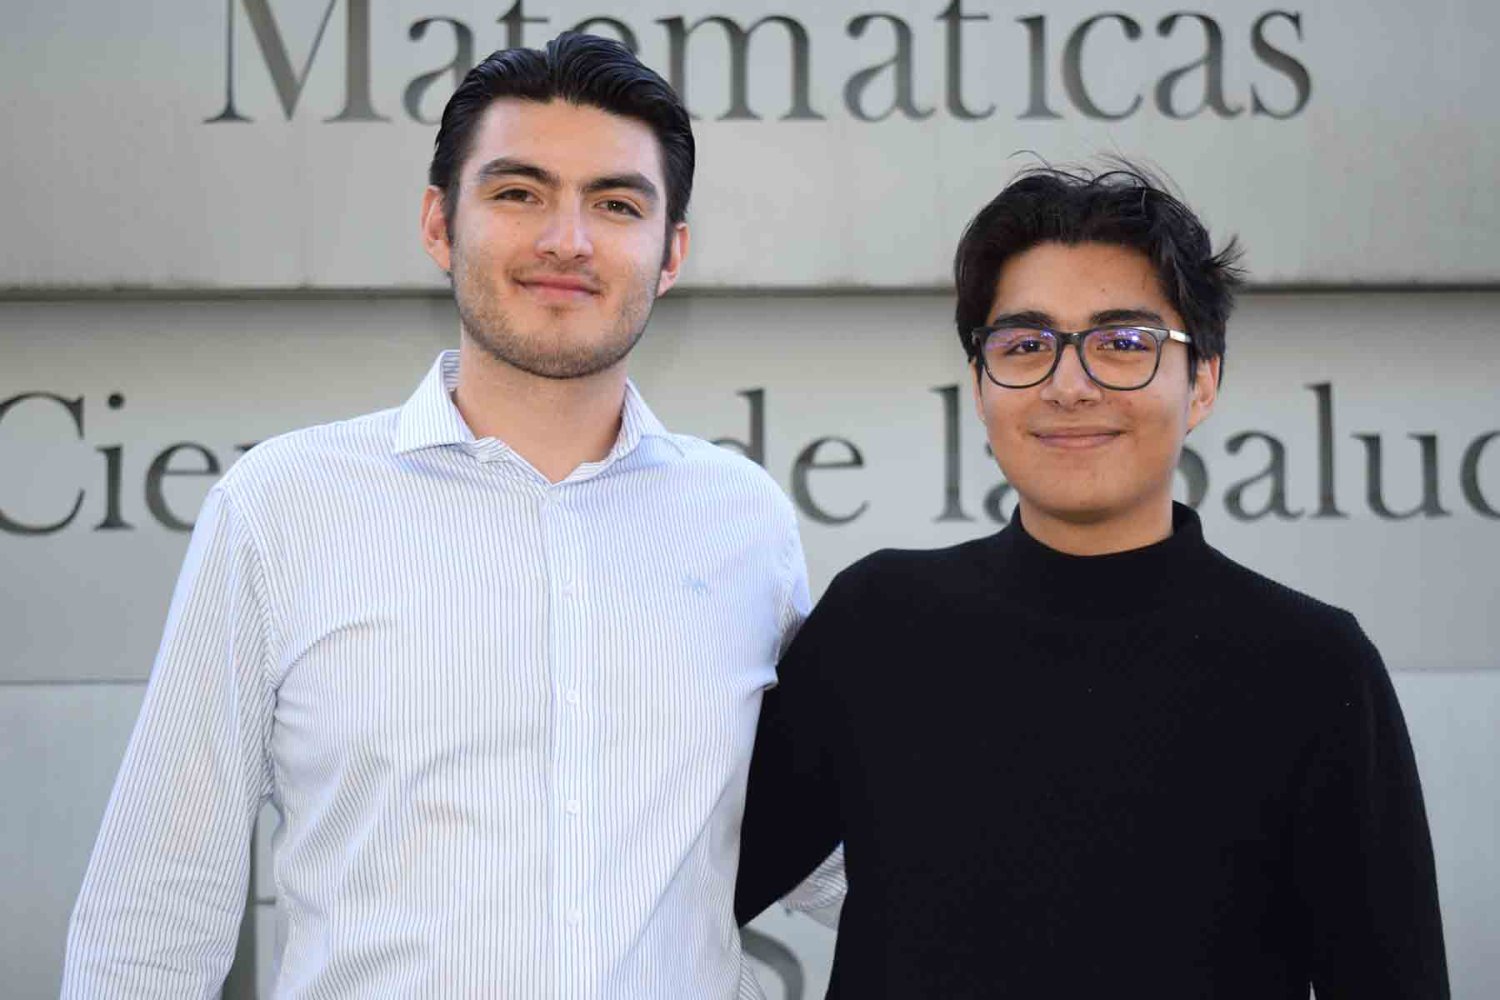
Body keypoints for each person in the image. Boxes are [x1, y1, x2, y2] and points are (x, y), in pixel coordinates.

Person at [64, 34, 811, 998]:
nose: (567, 241)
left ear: (670, 253)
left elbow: (836, 843)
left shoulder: (744, 522)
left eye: (616, 204)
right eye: (518, 192)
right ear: (437, 223)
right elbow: (156, 908)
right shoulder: (282, 508)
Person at [734, 163, 1450, 998]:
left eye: (1123, 344)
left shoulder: (1313, 668)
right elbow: (678, 886)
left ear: (1204, 381)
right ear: (979, 383)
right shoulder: (878, 626)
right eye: (1027, 345)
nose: (1070, 386)